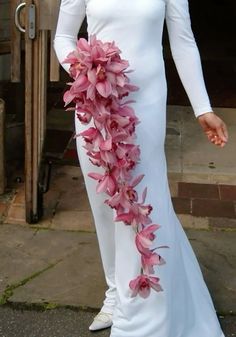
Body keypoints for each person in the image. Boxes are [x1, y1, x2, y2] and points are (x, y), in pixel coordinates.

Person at [54, 0, 228, 336]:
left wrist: (202, 107)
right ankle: (114, 294)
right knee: (105, 204)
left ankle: (141, 311)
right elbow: (63, 36)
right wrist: (83, 69)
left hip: (145, 102)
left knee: (144, 201)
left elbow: (183, 40)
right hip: (96, 102)